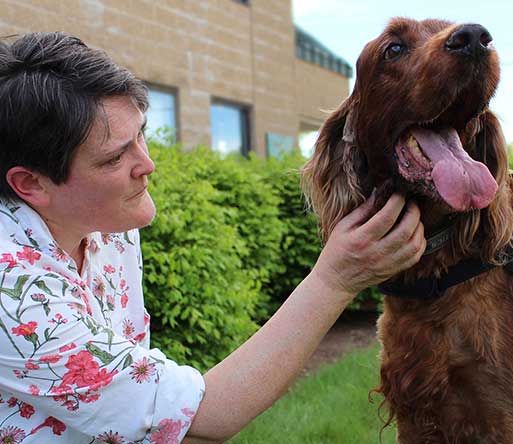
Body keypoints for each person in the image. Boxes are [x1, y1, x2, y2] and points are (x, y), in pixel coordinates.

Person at [0, 32, 425, 443]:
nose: (147, 164)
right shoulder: (12, 291)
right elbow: (201, 420)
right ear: (31, 184)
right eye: (114, 157)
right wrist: (336, 279)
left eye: (141, 134)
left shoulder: (105, 226)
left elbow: (151, 419)